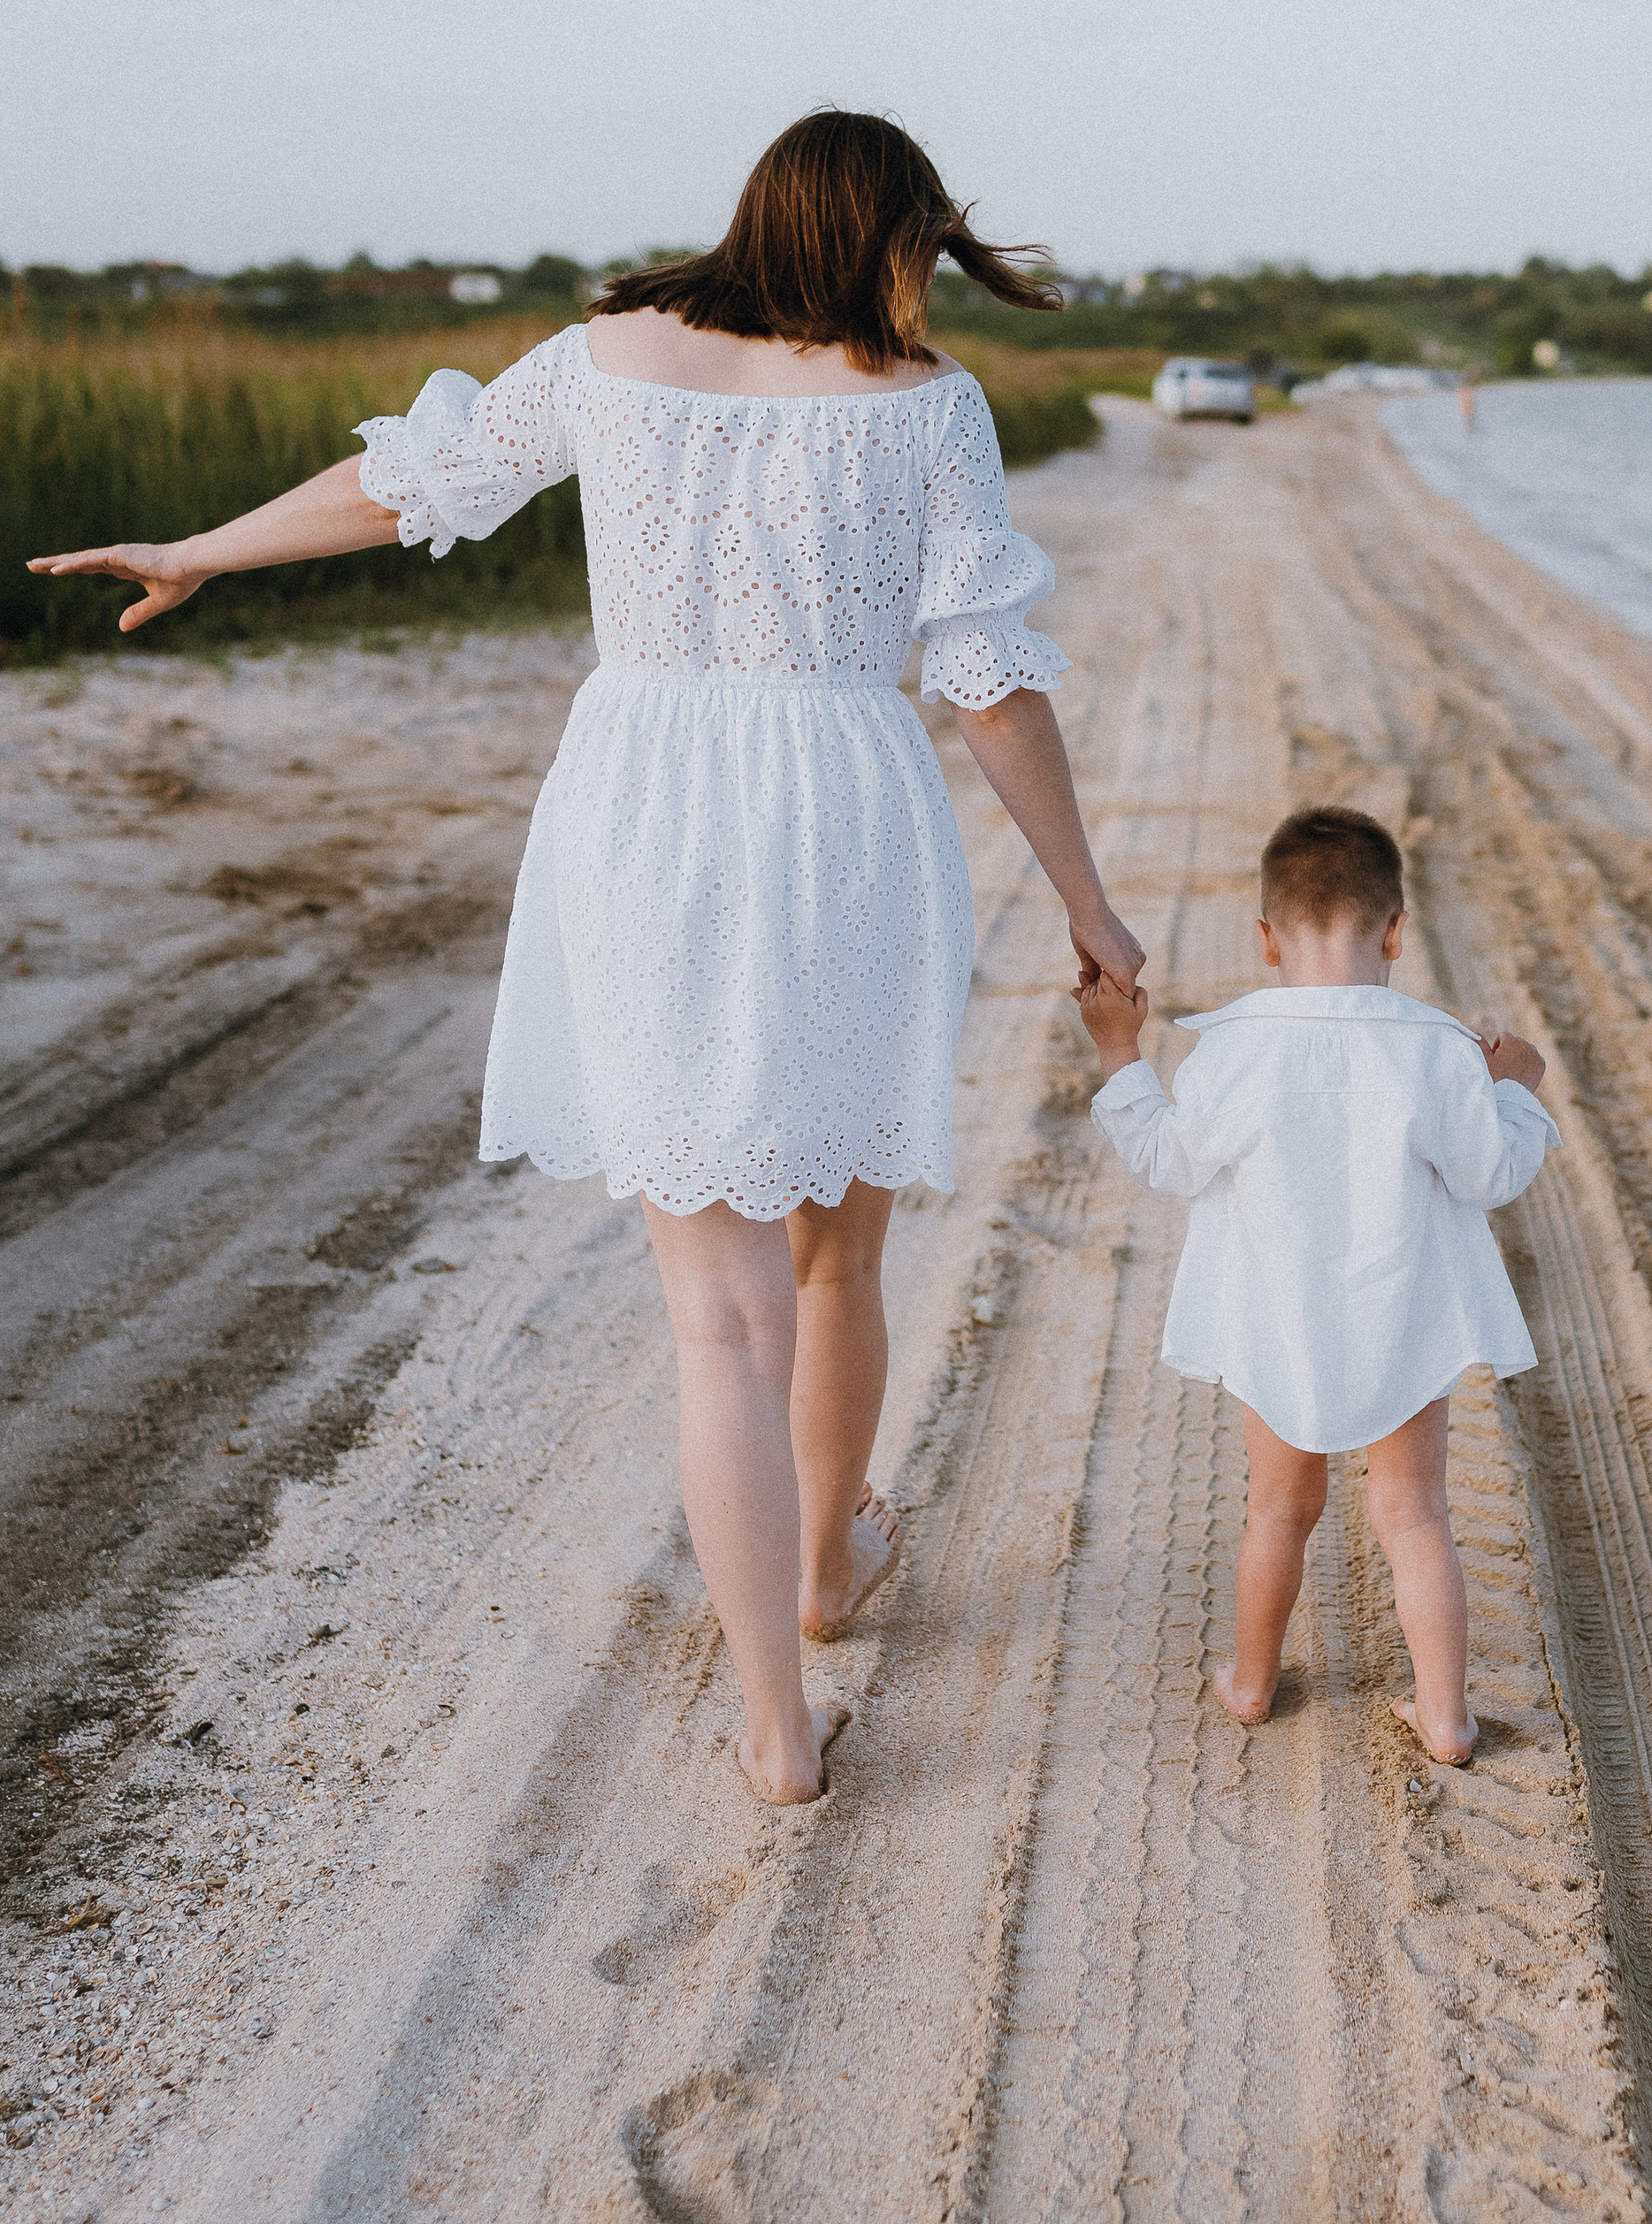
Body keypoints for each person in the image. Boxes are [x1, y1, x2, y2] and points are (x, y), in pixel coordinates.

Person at [31, 110, 1143, 1806]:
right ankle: (832, 1568)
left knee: (721, 1323)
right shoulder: (927, 408)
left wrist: (199, 548)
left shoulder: (609, 357)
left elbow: (407, 486)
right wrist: (1087, 899)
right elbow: (985, 677)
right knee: (839, 1253)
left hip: (646, 815)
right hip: (839, 812)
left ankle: (781, 1724)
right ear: (887, 237)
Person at [1072, 805, 1555, 1765]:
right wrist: (1516, 1088)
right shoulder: (1437, 1049)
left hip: (1273, 1321)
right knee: (1414, 1517)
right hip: (1402, 1316)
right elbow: (1490, 1176)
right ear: (1395, 932)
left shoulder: (1234, 1049)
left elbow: (1168, 1160)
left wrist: (1119, 1052)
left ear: (1263, 939)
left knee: (1276, 1511)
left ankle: (1251, 1684)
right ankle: (1447, 1716)